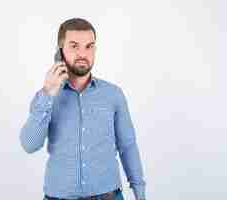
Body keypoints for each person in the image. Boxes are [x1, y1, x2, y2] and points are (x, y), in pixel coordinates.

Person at [19, 18, 146, 200]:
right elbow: (29, 145)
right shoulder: (45, 97)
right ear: (60, 51)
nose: (82, 54)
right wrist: (48, 94)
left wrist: (140, 193)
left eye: (89, 46)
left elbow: (128, 146)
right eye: (74, 46)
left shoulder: (113, 94)